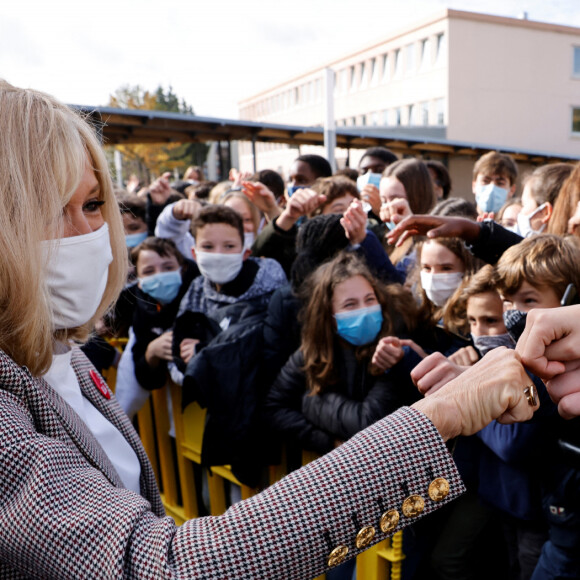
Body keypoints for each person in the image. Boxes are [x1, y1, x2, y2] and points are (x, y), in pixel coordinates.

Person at [0, 80, 540, 579]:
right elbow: (165, 566)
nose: (84, 234)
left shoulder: (58, 349)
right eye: (46, 210)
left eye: (94, 204)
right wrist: (438, 417)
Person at [472, 151, 518, 215]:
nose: (492, 188)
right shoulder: (460, 221)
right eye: (486, 181)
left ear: (512, 190)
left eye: (500, 183)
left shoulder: (517, 223)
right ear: (474, 186)